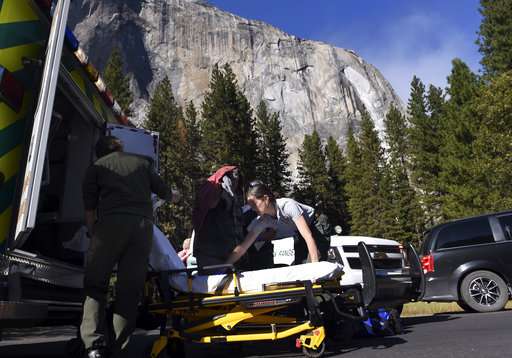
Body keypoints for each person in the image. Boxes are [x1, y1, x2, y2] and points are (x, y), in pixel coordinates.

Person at [80, 136, 178, 358]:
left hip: (110, 226)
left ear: (99, 152)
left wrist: (94, 233)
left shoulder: (95, 168)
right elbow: (166, 193)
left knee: (96, 285)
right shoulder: (142, 163)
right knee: (129, 290)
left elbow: (89, 209)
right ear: (119, 147)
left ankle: (94, 345)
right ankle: (118, 347)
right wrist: (175, 196)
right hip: (142, 228)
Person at [226, 183, 326, 265]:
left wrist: (315, 267)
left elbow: (308, 236)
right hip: (300, 233)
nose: (252, 208)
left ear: (266, 199)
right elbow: (243, 246)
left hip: (317, 226)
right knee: (300, 265)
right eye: (250, 205)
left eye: (254, 204)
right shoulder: (263, 220)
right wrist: (225, 265)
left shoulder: (288, 206)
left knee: (315, 262)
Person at [192, 165, 245, 268]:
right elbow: (210, 205)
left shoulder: (230, 196)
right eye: (234, 179)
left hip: (224, 252)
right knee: (215, 282)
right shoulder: (214, 189)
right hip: (211, 253)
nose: (235, 183)